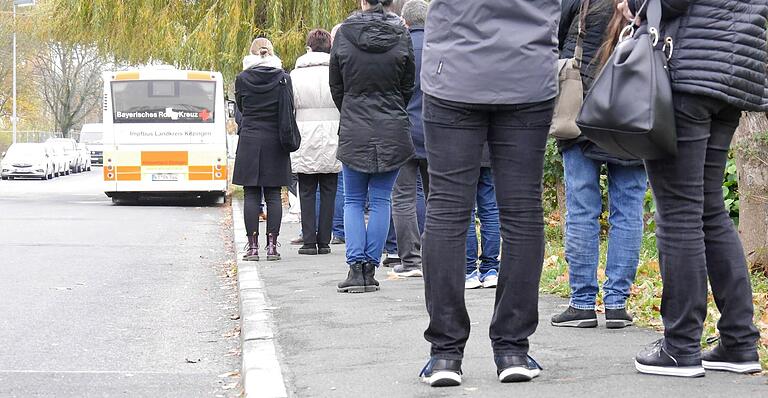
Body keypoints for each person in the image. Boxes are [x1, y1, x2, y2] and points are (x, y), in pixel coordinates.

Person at [615, 0, 767, 377]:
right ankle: (739, 342)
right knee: (709, 207)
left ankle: (680, 345)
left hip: (686, 70)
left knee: (679, 211)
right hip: (736, 71)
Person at [418, 0, 560, 387]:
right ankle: (513, 347)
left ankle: (446, 354)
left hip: (455, 69)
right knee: (522, 211)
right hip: (528, 71)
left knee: (446, 209)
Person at [550, 0, 647, 330]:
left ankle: (582, 304)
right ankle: (618, 304)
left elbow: (556, 38)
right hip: (632, 111)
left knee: (581, 209)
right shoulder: (644, 3)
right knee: (629, 209)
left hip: (582, 108)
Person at [330, 0, 415, 293]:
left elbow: (336, 83)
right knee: (381, 200)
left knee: (353, 200)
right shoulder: (401, 34)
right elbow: (408, 83)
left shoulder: (343, 33)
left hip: (354, 123)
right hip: (392, 125)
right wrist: (393, 109)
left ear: (362, 2)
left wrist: (350, 108)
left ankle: (355, 270)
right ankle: (371, 268)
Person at [234, 38, 292, 262]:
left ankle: (252, 248)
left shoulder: (242, 79)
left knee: (251, 194)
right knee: (274, 195)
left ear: (251, 53)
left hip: (249, 139)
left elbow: (241, 107)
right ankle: (272, 247)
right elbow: (288, 107)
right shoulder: (283, 79)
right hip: (275, 139)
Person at [291, 29, 342, 256]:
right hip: (333, 131)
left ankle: (309, 240)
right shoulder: (338, 69)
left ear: (308, 47)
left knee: (307, 188)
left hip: (304, 132)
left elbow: (290, 106)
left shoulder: (295, 75)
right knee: (330, 187)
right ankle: (325, 240)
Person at [391, 0, 429, 278]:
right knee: (437, 196)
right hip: (437, 130)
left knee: (403, 195)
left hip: (403, 130)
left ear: (405, 22)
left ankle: (410, 260)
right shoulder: (442, 47)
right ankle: (434, 255)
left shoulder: (398, 48)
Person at [464, 147, 500, 289]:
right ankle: (491, 269)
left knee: (466, 212)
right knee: (490, 211)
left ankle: (469, 270)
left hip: (465, 152)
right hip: (490, 152)